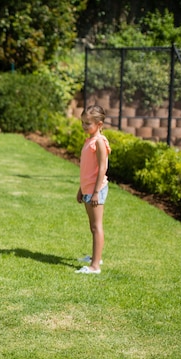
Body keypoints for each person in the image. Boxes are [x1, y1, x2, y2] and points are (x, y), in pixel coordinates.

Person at [75, 104, 111, 274]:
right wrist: (81, 189)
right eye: (83, 122)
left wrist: (96, 192)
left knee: (97, 227)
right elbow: (87, 169)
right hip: (88, 189)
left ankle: (95, 266)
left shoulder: (99, 142)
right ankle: (95, 257)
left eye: (88, 123)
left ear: (99, 124)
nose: (84, 126)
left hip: (96, 190)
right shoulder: (89, 140)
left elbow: (102, 168)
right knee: (92, 226)